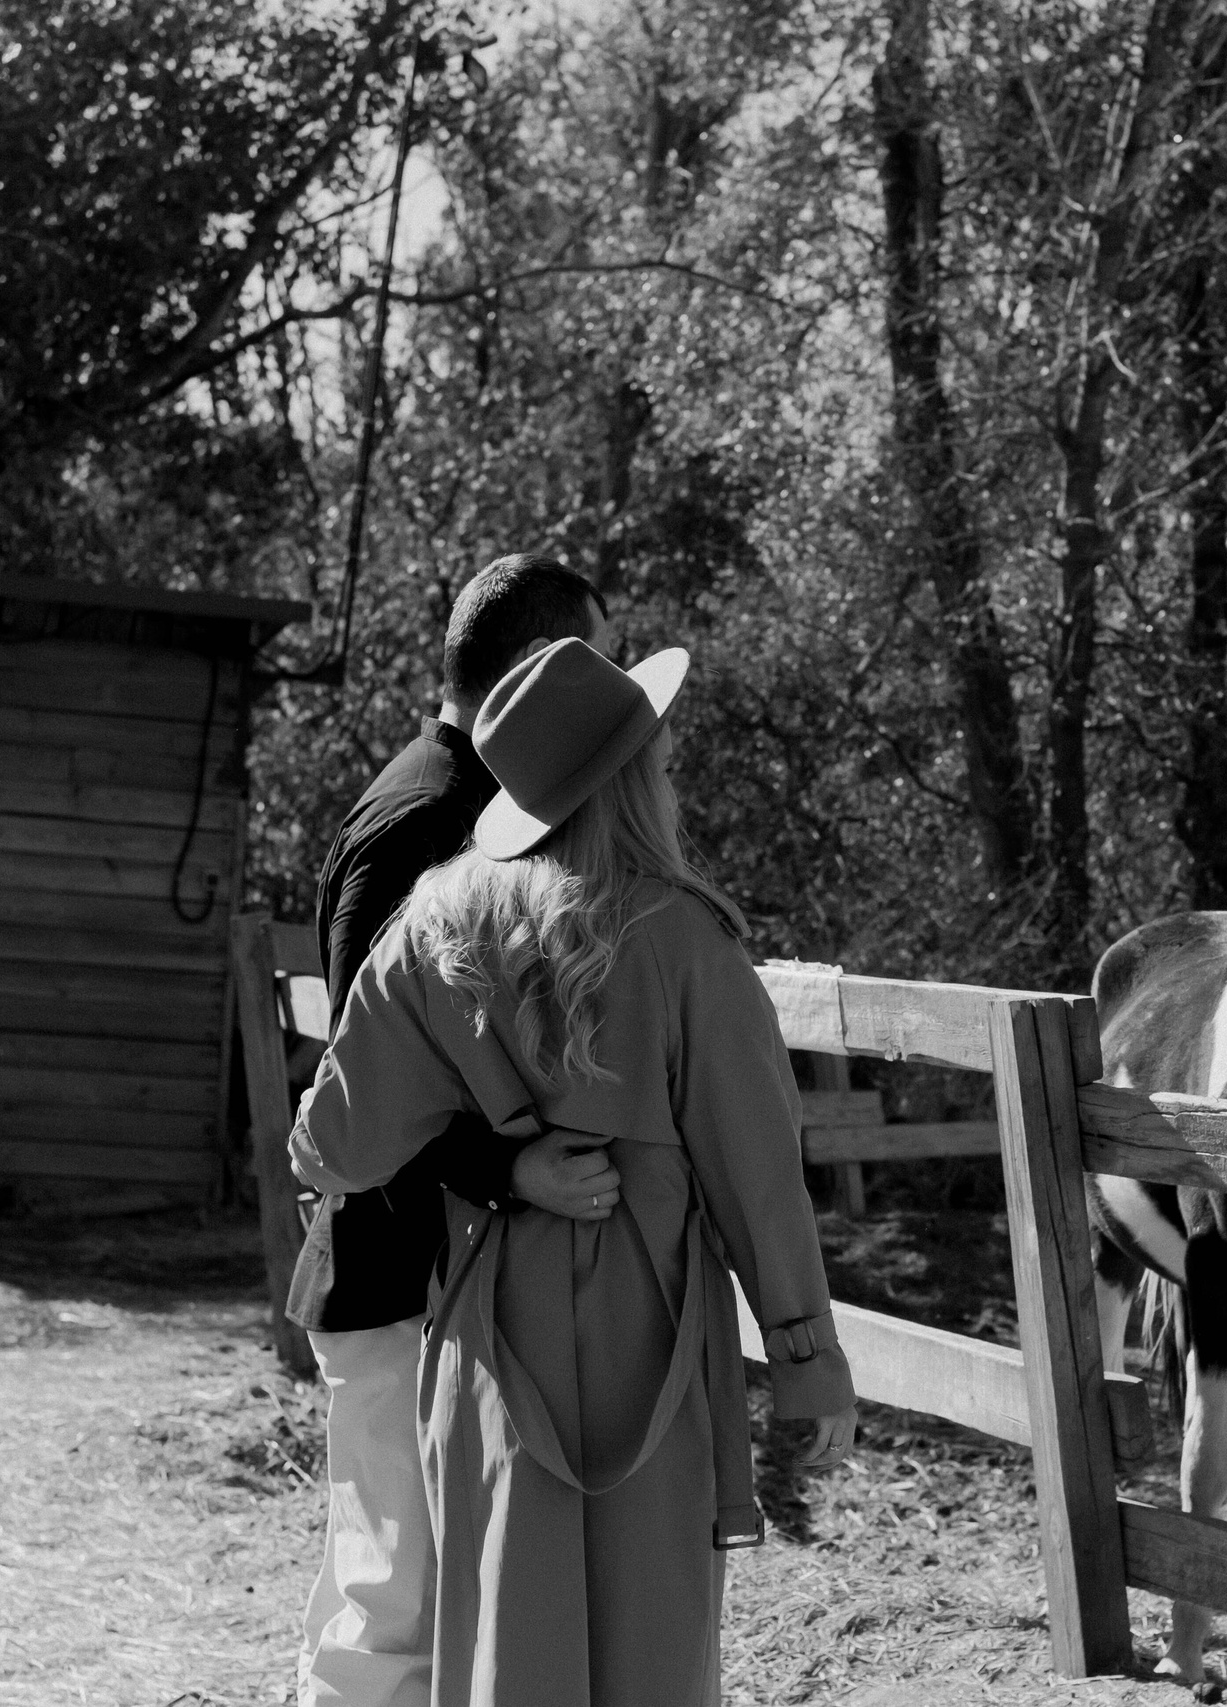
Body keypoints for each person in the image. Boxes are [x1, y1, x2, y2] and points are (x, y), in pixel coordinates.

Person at [290, 636, 858, 1707]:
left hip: (488, 1334)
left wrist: (496, 1153)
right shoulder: (689, 943)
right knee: (654, 1645)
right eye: (666, 760)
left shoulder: (432, 928)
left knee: (504, 1638)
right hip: (651, 1326)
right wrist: (806, 1361)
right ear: (631, 779)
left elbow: (330, 1146)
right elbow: (757, 1177)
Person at [291, 554, 626, 1707]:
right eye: (599, 661)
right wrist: (508, 1166)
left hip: (434, 1273)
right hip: (396, 1271)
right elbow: (362, 1081)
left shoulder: (465, 805)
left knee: (405, 1603)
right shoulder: (421, 824)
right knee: (394, 1615)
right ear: (536, 670)